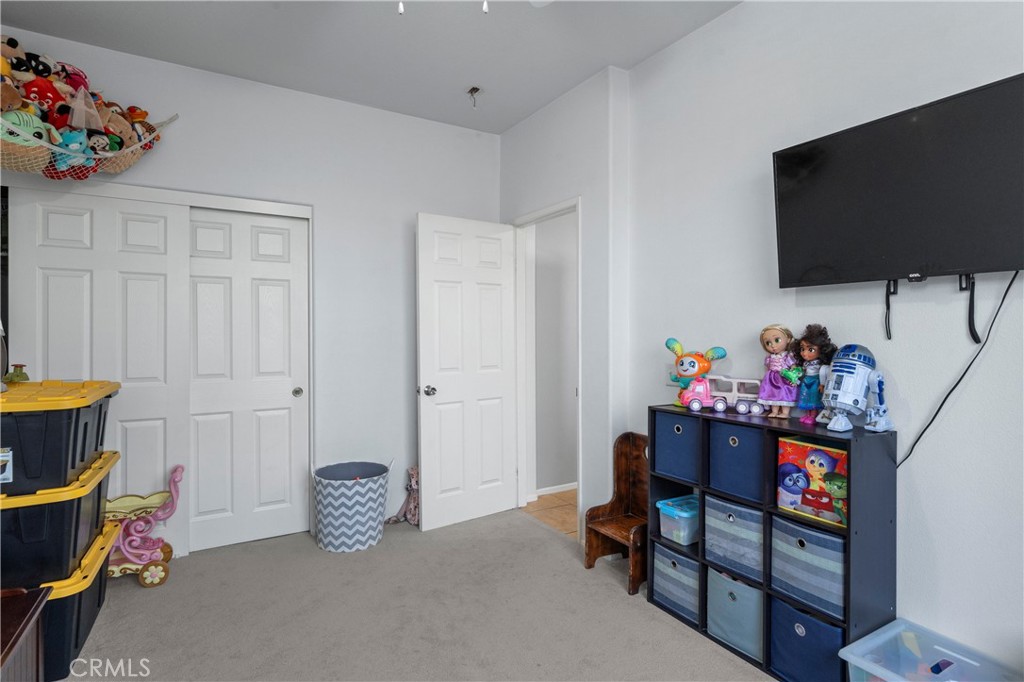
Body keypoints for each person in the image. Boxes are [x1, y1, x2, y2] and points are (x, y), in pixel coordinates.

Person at [790, 323, 837, 425]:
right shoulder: (806, 363)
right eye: (802, 349)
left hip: (816, 382)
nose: (804, 353)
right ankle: (807, 414)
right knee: (806, 398)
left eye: (810, 349)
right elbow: (802, 371)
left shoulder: (820, 364)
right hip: (806, 381)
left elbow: (823, 372)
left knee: (813, 399)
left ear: (821, 350)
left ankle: (813, 416)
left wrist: (823, 384)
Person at [757, 324, 798, 418]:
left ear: (787, 339)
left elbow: (793, 367)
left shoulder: (787, 356)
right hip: (771, 378)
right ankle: (774, 411)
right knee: (772, 393)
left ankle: (785, 412)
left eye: (777, 340)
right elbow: (768, 367)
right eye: (768, 343)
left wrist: (794, 378)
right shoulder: (769, 357)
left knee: (784, 394)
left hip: (784, 377)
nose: (773, 346)